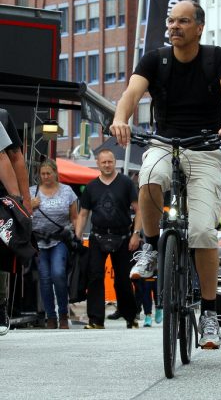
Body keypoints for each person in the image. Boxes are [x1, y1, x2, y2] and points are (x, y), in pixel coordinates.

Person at [111, 0, 221, 349]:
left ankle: (211, 315)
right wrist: (120, 119)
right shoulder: (156, 59)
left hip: (204, 149)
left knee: (202, 231)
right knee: (149, 174)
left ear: (199, 27)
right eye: (171, 21)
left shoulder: (218, 58)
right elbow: (131, 93)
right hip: (164, 142)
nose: (174, 27)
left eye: (183, 21)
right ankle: (153, 248)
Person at [75, 149, 143, 329]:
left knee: (122, 279)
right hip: (98, 235)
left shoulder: (126, 183)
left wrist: (136, 234)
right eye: (103, 162)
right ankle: (96, 320)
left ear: (115, 162)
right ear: (97, 163)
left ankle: (130, 317)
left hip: (123, 236)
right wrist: (78, 236)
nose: (107, 165)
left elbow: (139, 210)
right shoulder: (91, 187)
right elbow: (83, 215)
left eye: (110, 162)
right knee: (95, 277)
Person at [29, 159, 78, 329]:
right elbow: (22, 215)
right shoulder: (32, 192)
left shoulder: (67, 191)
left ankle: (63, 313)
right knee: (44, 278)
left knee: (58, 273)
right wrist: (30, 206)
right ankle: (51, 316)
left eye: (48, 173)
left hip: (59, 239)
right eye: (42, 174)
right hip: (39, 241)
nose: (45, 177)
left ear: (55, 173)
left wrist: (76, 236)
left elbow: (75, 217)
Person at [0, 110, 32, 337]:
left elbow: (13, 158)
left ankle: (0, 307)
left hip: (1, 195)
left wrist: (22, 202)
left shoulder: (2, 117)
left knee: (2, 254)